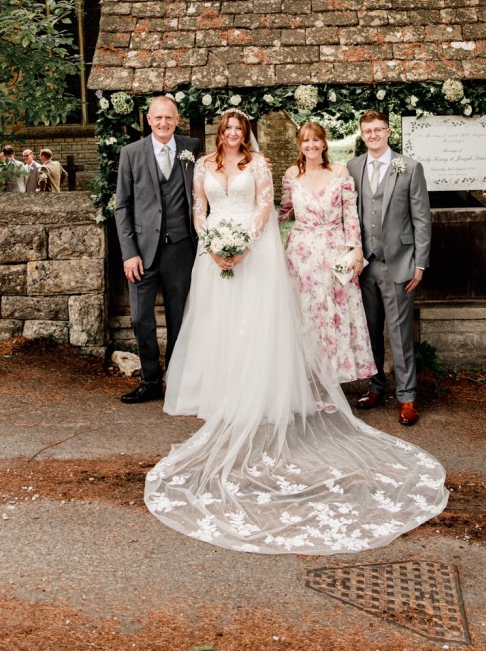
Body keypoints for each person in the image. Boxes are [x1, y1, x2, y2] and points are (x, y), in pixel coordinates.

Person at [145, 109, 447, 555]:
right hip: (234, 257)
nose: (232, 133)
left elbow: (269, 209)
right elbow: (200, 208)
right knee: (220, 326)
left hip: (273, 251)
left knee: (274, 325)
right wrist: (213, 244)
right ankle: (220, 391)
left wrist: (244, 243)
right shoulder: (209, 166)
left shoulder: (271, 166)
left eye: (238, 128)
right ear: (219, 133)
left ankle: (389, 392)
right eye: (227, 128)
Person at [115, 95, 201, 404]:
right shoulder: (131, 153)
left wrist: (257, 162)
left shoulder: (192, 147)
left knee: (180, 318)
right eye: (157, 118)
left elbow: (223, 169)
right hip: (141, 251)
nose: (163, 123)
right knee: (141, 319)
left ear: (177, 119)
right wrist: (128, 253)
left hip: (181, 249)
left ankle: (175, 382)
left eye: (169, 117)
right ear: (148, 120)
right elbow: (122, 207)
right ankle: (151, 381)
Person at [347, 110, 431, 427]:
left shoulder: (409, 167)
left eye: (378, 129)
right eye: (367, 130)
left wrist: (419, 263)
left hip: (398, 264)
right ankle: (375, 387)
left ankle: (407, 397)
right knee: (370, 333)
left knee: (399, 334)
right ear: (361, 133)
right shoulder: (353, 168)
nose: (373, 135)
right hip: (364, 265)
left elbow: (422, 219)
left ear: (388, 132)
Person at [278, 120, 375, 383]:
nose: (311, 145)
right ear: (300, 145)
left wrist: (356, 250)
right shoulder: (290, 175)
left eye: (315, 139)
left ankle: (333, 381)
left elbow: (350, 216)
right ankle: (308, 382)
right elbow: (284, 213)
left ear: (324, 142)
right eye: (305, 140)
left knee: (333, 314)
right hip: (301, 256)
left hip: (334, 250)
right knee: (306, 316)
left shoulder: (340, 172)